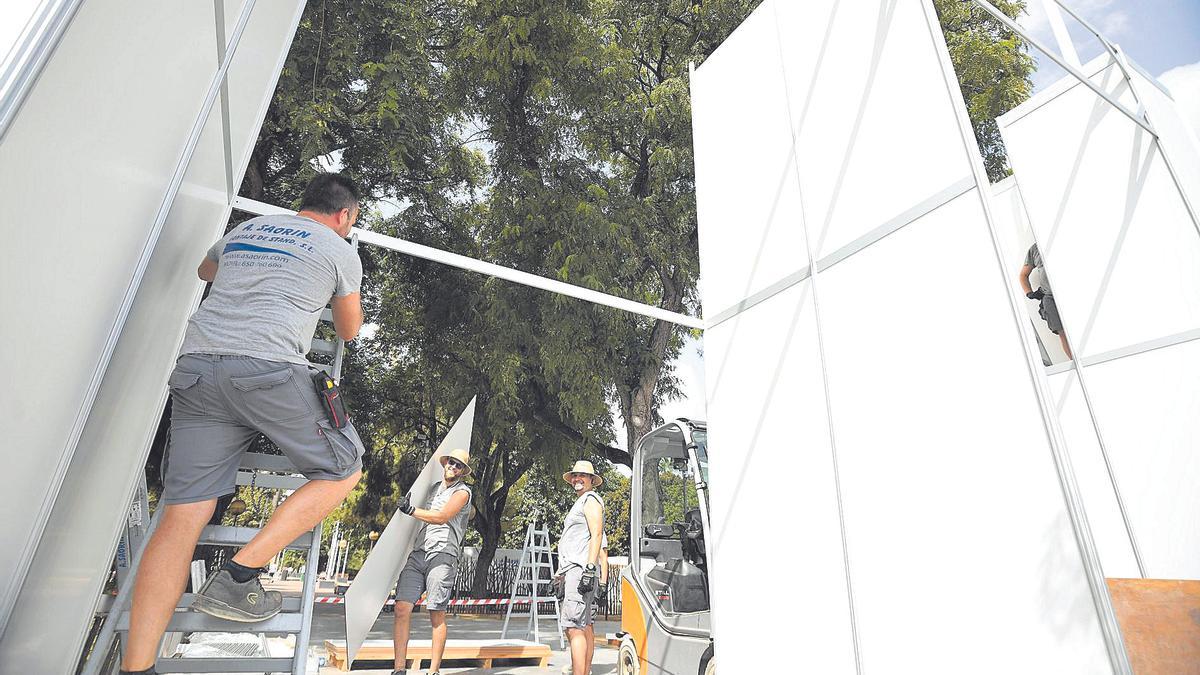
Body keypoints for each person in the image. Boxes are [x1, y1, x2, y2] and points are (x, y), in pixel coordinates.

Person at [120, 174, 366, 675]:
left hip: (197, 368)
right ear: (345, 216)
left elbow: (204, 269)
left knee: (182, 515)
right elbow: (349, 329)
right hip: (268, 371)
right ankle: (240, 573)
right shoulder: (339, 247)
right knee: (344, 470)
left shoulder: (248, 228)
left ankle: (135, 667)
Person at [391, 448, 474, 675]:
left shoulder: (463, 492)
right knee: (401, 608)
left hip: (443, 555)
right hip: (420, 552)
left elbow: (441, 518)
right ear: (445, 463)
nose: (453, 467)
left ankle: (433, 671)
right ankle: (399, 669)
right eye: (451, 463)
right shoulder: (433, 489)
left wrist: (410, 509)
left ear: (462, 472)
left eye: (458, 465)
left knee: (436, 612)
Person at [558, 460, 606, 675]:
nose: (577, 480)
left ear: (591, 481)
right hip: (574, 569)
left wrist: (588, 568)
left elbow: (597, 535)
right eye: (575, 476)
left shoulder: (590, 500)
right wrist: (561, 574)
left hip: (580, 569)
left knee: (573, 627)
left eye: (582, 477)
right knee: (584, 625)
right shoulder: (582, 501)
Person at [1019, 242, 1073, 360]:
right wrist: (1029, 293)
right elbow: (1023, 275)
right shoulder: (1034, 249)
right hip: (1050, 298)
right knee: (1063, 334)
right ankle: (1075, 363)